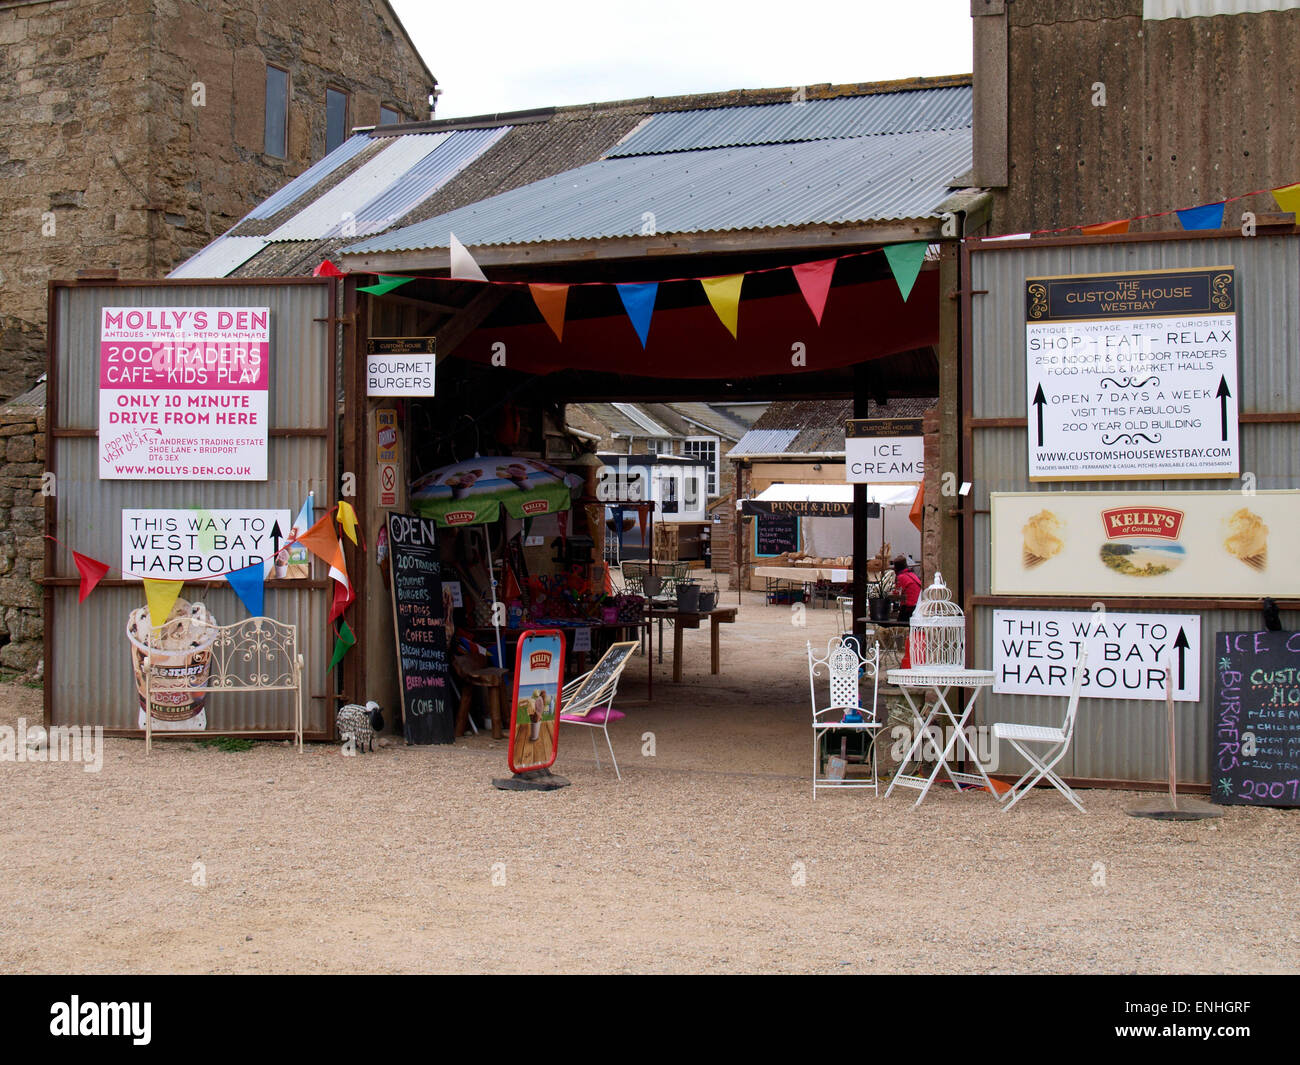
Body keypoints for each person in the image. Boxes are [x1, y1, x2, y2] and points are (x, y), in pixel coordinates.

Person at [892, 556, 922, 623]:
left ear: (896, 568)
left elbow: (896, 594)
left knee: (897, 621)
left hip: (909, 608)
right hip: (918, 606)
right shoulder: (912, 575)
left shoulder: (901, 577)